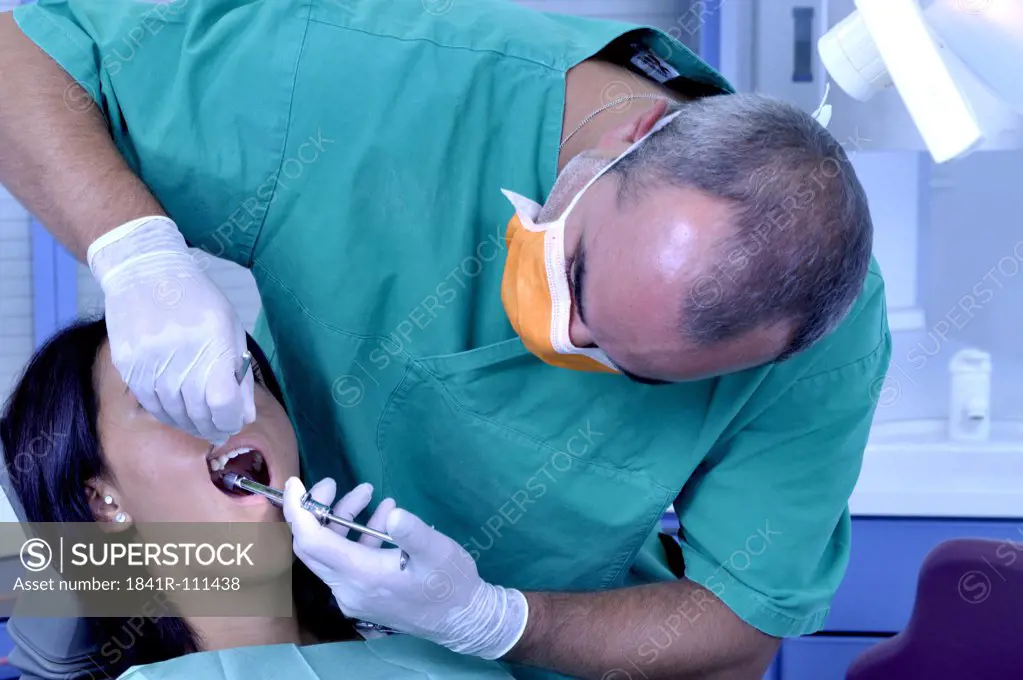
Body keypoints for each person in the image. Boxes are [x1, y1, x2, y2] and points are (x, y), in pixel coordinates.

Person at [0, 1, 892, 678]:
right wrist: (135, 252)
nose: (564, 342)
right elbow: (27, 49)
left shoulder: (827, 346)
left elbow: (742, 612)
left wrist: (493, 621)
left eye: (628, 372)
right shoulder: (379, 84)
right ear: (637, 134)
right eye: (576, 279)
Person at [0, 318, 512, 680]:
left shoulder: (421, 643)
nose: (225, 404)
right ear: (101, 502)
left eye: (242, 373)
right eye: (164, 397)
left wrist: (487, 621)